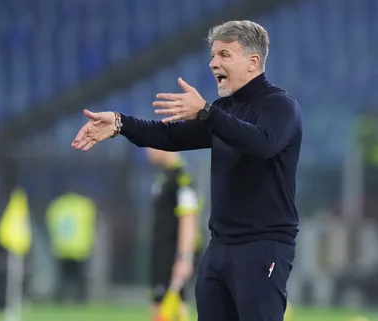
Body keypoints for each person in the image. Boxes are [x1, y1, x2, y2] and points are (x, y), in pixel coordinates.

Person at [72, 20, 303, 321]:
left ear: (253, 61)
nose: (213, 63)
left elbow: (263, 143)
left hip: (263, 247)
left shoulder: (280, 106)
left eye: (224, 55)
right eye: (212, 55)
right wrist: (119, 123)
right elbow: (170, 136)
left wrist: (207, 114)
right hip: (220, 247)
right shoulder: (225, 111)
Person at [145, 148, 202, 321]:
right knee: (160, 307)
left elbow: (189, 218)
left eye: (150, 145)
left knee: (170, 310)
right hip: (162, 254)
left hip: (173, 256)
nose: (147, 150)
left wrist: (184, 258)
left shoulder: (181, 177)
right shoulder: (165, 175)